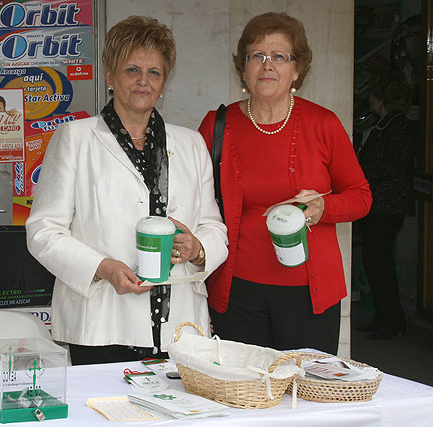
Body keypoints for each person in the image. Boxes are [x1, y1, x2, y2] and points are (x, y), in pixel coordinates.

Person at [26, 16, 228, 365]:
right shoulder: (76, 139)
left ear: (164, 82)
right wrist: (102, 267)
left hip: (180, 327)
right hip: (102, 324)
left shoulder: (192, 143)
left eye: (154, 72)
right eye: (132, 69)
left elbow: (215, 228)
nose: (143, 81)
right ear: (110, 76)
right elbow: (43, 231)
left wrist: (198, 248)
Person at [198, 12, 372, 354]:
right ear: (242, 68)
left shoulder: (323, 124)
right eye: (256, 56)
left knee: (305, 394)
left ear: (297, 69)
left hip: (309, 293)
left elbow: (361, 197)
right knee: (245, 396)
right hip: (236, 291)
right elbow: (192, 200)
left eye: (279, 56)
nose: (267, 65)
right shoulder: (217, 126)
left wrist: (324, 207)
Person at [355, 70, 416, 340]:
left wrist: (363, 171)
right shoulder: (385, 124)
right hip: (378, 204)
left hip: (387, 204)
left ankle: (392, 319)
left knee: (380, 263)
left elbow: (396, 165)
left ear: (380, 98)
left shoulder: (398, 125)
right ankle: (383, 315)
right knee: (374, 261)